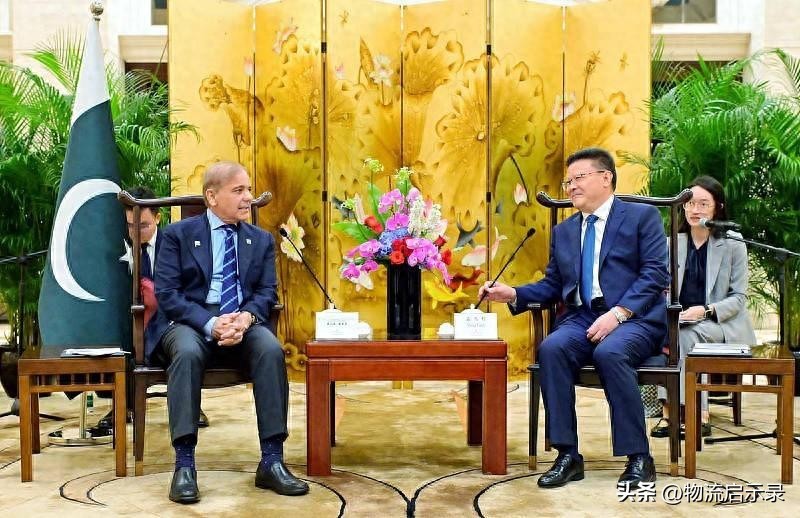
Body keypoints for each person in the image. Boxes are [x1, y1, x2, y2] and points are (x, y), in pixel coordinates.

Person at [479, 147, 669, 489]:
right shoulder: (565, 231)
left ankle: (639, 457)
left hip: (635, 317)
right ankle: (567, 455)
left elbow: (655, 274)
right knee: (552, 349)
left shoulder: (641, 217)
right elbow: (554, 284)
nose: (571, 187)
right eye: (568, 182)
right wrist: (514, 294)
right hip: (583, 316)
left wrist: (618, 314)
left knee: (610, 352)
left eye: (579, 178)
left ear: (606, 178)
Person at [152, 162, 308, 503]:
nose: (248, 197)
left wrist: (246, 319)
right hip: (190, 323)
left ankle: (271, 461)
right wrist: (211, 323)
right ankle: (184, 466)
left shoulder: (260, 239)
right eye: (239, 191)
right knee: (187, 352)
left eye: (248, 190)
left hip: (241, 321)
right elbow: (168, 294)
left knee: (270, 348)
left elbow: (266, 293)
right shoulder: (177, 235)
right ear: (212, 197)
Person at [88, 186, 209, 436]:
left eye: (142, 225)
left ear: (158, 218)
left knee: (184, 339)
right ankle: (123, 404)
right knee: (121, 332)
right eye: (130, 225)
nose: (135, 232)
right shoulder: (116, 249)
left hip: (167, 319)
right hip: (132, 320)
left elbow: (185, 292)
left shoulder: (175, 245)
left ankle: (189, 406)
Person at [650, 175, 756, 438]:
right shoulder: (672, 243)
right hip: (682, 320)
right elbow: (661, 290)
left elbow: (738, 298)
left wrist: (705, 310)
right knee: (672, 332)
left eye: (703, 204)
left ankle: (691, 413)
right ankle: (675, 412)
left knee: (685, 336)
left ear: (717, 208)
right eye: (689, 203)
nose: (695, 210)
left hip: (721, 324)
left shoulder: (733, 243)